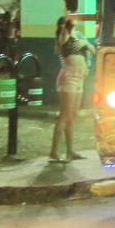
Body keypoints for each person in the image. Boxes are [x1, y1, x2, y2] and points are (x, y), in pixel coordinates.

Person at [50, 16, 92, 163]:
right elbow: (62, 31)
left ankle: (70, 151)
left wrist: (86, 43)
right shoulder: (63, 37)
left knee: (73, 116)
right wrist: (63, 24)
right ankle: (54, 152)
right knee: (64, 116)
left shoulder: (79, 36)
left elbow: (93, 51)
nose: (75, 20)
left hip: (79, 78)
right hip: (69, 77)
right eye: (71, 20)